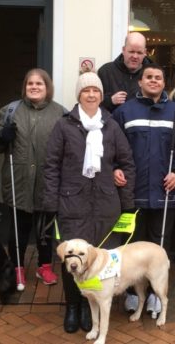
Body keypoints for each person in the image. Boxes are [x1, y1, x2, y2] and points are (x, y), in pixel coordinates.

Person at [42, 72, 136, 335]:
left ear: (101, 95)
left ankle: (90, 309)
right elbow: (51, 166)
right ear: (79, 95)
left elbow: (126, 163)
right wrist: (51, 203)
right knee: (73, 260)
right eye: (86, 91)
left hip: (106, 205)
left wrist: (127, 201)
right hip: (72, 205)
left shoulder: (111, 126)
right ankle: (74, 307)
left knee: (101, 262)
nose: (91, 95)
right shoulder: (64, 126)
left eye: (96, 90)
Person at [112, 63, 175, 315]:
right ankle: (134, 293)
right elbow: (112, 146)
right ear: (140, 82)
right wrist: (115, 168)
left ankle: (157, 294)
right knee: (132, 247)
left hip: (164, 193)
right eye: (149, 77)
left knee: (160, 246)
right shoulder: (124, 112)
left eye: (158, 77)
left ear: (164, 82)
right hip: (132, 193)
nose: (153, 81)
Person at [0, 68, 66, 286]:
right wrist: (2, 136)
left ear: (47, 87)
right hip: (19, 180)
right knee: (18, 228)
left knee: (45, 228)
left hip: (47, 180)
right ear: (25, 87)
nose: (34, 87)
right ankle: (17, 267)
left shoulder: (60, 112)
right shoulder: (10, 110)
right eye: (30, 83)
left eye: (39, 84)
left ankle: (45, 267)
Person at [98, 32, 153, 113]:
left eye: (139, 53)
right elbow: (93, 102)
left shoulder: (153, 74)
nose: (135, 56)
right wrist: (110, 101)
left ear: (145, 52)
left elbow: (161, 102)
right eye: (131, 51)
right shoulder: (106, 71)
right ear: (123, 50)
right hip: (113, 124)